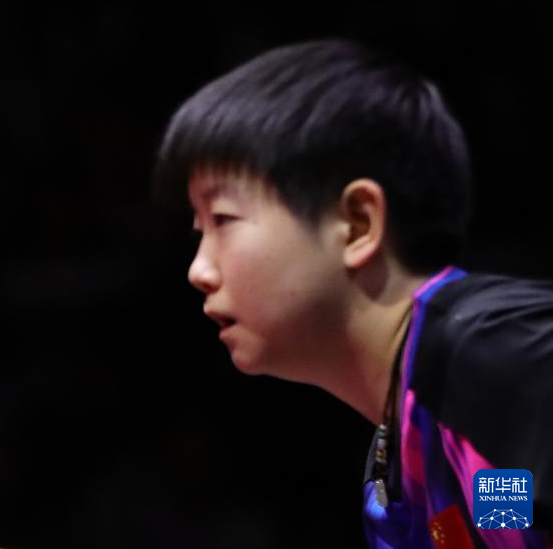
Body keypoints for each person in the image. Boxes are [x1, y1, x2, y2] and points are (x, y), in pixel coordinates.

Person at [155, 39, 552, 548]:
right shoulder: (416, 444)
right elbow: (521, 520)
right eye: (199, 230)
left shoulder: (499, 354)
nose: (199, 270)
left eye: (223, 220)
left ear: (357, 223)